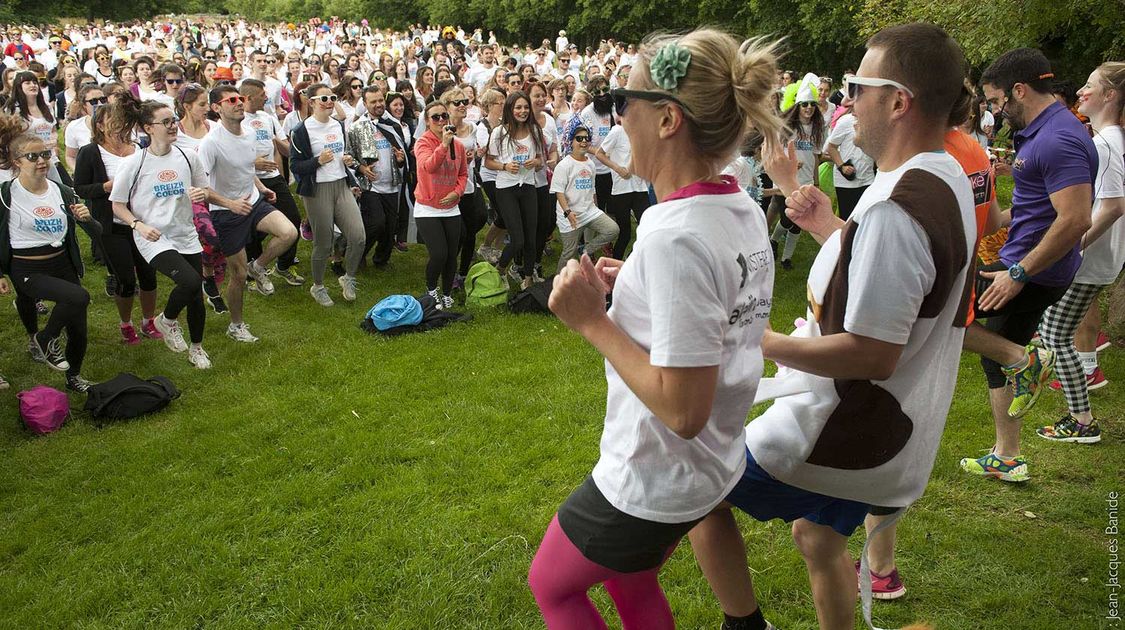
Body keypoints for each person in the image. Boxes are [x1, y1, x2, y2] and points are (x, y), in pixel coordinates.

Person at [688, 23, 976, 630]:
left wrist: (754, 339)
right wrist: (828, 226)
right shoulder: (941, 174)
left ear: (898, 101)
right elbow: (899, 280)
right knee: (818, 538)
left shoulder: (899, 206)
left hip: (846, 432)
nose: (848, 100)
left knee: (694, 479)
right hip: (891, 431)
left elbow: (873, 352)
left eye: (857, 86)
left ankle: (745, 623)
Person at [528, 27, 783, 630]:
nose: (618, 117)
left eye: (625, 102)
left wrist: (591, 321)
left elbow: (682, 407)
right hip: (707, 467)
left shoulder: (675, 236)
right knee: (628, 574)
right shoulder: (734, 203)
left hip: (654, 473)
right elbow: (715, 305)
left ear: (667, 119)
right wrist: (636, 282)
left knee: (553, 587)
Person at [959, 48, 1096, 483]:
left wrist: (1018, 274)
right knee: (992, 353)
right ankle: (1008, 455)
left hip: (1030, 270)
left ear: (1020, 90)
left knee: (941, 316)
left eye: (998, 102)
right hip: (1030, 264)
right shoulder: (1045, 132)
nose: (996, 113)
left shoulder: (1058, 138)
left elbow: (1076, 218)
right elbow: (1040, 209)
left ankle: (1026, 359)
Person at [1034, 62, 1124, 443]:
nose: (1081, 92)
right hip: (1099, 259)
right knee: (1054, 331)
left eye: (1089, 86)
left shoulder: (1105, 144)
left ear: (1110, 95)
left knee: (1055, 337)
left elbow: (1114, 206)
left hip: (1091, 260)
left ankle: (1082, 420)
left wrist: (1073, 246)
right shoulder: (1107, 139)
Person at [109, 99, 214, 369]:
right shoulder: (134, 163)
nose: (172, 126)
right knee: (190, 282)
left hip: (184, 232)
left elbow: (203, 190)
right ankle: (164, 321)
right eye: (165, 122)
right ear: (148, 128)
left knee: (195, 295)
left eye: (173, 120)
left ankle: (197, 348)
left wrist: (200, 194)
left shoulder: (188, 156)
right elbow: (118, 205)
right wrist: (138, 225)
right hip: (152, 236)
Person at [0, 130, 100, 392]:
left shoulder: (62, 191)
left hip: (62, 263)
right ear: (17, 161)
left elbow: (98, 233)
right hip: (26, 267)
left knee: (79, 328)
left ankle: (74, 377)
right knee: (79, 297)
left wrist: (86, 218)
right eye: (33, 156)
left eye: (45, 154)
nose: (42, 161)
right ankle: (45, 338)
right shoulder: (5, 194)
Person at [198, 84, 298, 342]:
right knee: (238, 276)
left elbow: (246, 169)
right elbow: (200, 187)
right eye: (231, 100)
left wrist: (263, 189)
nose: (239, 103)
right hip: (226, 213)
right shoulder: (211, 143)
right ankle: (236, 325)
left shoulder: (250, 134)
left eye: (240, 98)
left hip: (253, 202)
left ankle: (260, 265)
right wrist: (229, 203)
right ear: (216, 108)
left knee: (289, 232)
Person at [72, 101, 163, 347]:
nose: (119, 124)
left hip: (143, 223)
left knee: (149, 275)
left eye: (121, 119)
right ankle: (126, 324)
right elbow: (79, 188)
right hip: (112, 226)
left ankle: (148, 321)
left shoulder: (140, 146)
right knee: (125, 280)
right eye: (112, 120)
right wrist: (107, 187)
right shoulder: (91, 152)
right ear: (99, 125)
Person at [289, 83, 365, 307]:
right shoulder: (301, 131)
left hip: (341, 186)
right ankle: (318, 286)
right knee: (323, 242)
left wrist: (347, 161)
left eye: (332, 97)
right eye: (324, 99)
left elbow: (342, 154)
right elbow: (295, 166)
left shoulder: (338, 125)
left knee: (358, 236)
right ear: (311, 102)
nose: (330, 102)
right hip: (317, 190)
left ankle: (348, 277)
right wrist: (316, 162)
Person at [239, 79, 304, 287]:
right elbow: (231, 155)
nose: (267, 98)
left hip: (274, 178)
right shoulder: (238, 120)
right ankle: (252, 270)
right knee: (253, 230)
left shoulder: (268, 117)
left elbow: (283, 146)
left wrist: (285, 147)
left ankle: (282, 266)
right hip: (249, 181)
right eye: (262, 95)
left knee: (293, 219)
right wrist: (253, 162)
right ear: (248, 98)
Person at [173, 82, 229, 314]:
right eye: (201, 104)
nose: (207, 108)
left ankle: (207, 278)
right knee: (210, 236)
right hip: (191, 194)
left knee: (221, 241)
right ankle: (205, 279)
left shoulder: (214, 128)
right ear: (186, 106)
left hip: (216, 191)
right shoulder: (175, 132)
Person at [484, 91, 547, 289]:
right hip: (506, 189)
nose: (522, 111)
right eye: (518, 107)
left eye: (525, 107)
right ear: (510, 109)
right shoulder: (499, 132)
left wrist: (536, 161)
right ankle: (500, 270)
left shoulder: (535, 131)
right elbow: (487, 162)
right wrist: (504, 166)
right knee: (517, 239)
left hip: (528, 186)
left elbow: (540, 160)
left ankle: (527, 279)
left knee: (532, 236)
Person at [413, 100, 468, 308]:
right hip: (427, 208)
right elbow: (429, 167)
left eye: (444, 116)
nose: (441, 120)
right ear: (427, 121)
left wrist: (457, 192)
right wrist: (444, 145)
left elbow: (463, 174)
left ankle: (446, 292)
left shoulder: (459, 145)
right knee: (439, 254)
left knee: (451, 254)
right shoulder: (422, 143)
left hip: (451, 207)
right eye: (436, 117)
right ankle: (431, 289)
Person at [346, 86, 406, 268]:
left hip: (392, 184)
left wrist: (400, 160)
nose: (378, 104)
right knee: (376, 223)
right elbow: (348, 156)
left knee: (390, 226)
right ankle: (359, 254)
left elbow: (402, 157)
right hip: (370, 186)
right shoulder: (356, 128)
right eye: (373, 101)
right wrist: (361, 168)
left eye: (381, 100)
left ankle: (381, 259)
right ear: (365, 104)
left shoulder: (393, 125)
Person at [768, 79, 824, 270]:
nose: (808, 108)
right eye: (804, 104)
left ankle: (786, 258)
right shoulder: (787, 128)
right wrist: (789, 164)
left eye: (812, 104)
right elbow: (777, 151)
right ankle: (774, 240)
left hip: (807, 181)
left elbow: (816, 157)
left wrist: (816, 181)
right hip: (789, 181)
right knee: (787, 218)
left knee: (799, 222)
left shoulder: (817, 129)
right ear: (797, 106)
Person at [550, 124, 618, 271]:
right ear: (571, 142)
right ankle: (557, 283)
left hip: (589, 211)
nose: (583, 141)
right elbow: (559, 192)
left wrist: (596, 208)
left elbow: (592, 189)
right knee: (569, 253)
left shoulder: (590, 163)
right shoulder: (564, 165)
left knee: (612, 229)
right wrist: (568, 212)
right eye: (579, 138)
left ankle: (586, 251)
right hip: (569, 215)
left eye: (586, 138)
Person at [440, 87, 487, 290]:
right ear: (447, 107)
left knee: (470, 233)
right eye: (457, 103)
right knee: (457, 234)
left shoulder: (472, 128)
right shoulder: (441, 129)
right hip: (449, 189)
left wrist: (474, 155)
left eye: (464, 102)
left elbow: (473, 153)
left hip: (469, 187)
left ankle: (463, 273)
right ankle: (446, 273)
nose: (462, 106)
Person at [595, 113, 649, 259]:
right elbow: (600, 154)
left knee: (646, 229)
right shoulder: (617, 131)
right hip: (621, 190)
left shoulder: (644, 131)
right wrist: (617, 168)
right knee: (625, 234)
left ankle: (631, 259)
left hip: (640, 188)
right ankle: (615, 265)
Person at [823, 90, 875, 221]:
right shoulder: (845, 122)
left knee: (864, 218)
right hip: (846, 180)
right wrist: (842, 166)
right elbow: (831, 147)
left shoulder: (874, 122)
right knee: (847, 219)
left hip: (868, 177)